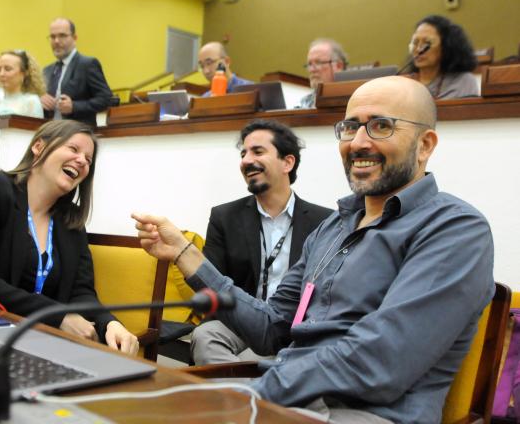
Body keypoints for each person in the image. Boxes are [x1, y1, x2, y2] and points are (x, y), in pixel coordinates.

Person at [133, 76, 495, 423]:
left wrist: (254, 394)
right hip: (289, 399)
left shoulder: (455, 229)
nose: (358, 142)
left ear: (425, 145)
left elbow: (382, 361)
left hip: (363, 413)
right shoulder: (332, 227)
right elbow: (271, 328)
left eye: (381, 126)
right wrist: (184, 253)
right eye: (350, 127)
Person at [0, 120, 139, 355]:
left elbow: (81, 292)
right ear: (38, 147)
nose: (82, 161)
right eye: (73, 149)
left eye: (88, 160)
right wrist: (56, 316)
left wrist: (109, 323)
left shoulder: (71, 223)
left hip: (37, 343)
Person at [192, 119, 332, 365]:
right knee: (205, 336)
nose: (246, 160)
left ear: (287, 162)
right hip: (241, 321)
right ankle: (258, 394)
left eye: (257, 151)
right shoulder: (224, 217)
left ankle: (248, 393)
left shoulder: (325, 221)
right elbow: (211, 286)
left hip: (294, 327)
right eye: (243, 153)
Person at [41, 18, 112, 128]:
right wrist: (40, 99)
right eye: (52, 37)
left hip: (78, 134)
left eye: (62, 36)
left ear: (74, 38)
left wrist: (74, 106)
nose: (56, 41)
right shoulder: (47, 70)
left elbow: (106, 99)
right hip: (50, 133)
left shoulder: (87, 64)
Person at [409, 15, 478, 99]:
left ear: (446, 46)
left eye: (427, 43)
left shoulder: (463, 81)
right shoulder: (404, 84)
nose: (419, 49)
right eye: (415, 42)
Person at [300, 38, 347, 109]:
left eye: (318, 63)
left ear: (338, 66)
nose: (312, 70)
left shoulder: (355, 98)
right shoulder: (304, 102)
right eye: (309, 64)